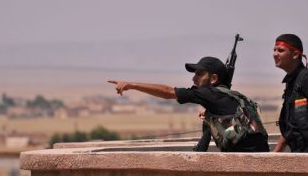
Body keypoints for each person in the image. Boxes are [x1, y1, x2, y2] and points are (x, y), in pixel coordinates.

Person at [108, 56, 269, 152]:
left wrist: (132, 85)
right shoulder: (233, 96)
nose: (194, 79)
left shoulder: (210, 93)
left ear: (213, 79)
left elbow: (168, 92)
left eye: (199, 74)